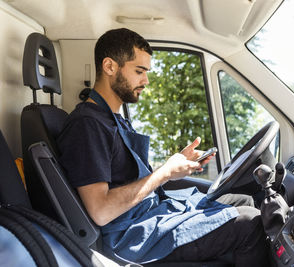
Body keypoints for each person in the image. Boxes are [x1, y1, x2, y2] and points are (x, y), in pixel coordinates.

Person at [57, 28, 267, 266]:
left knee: (243, 201)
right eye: (139, 71)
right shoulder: (88, 125)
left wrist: (176, 164)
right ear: (109, 66)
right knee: (251, 223)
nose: (145, 81)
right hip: (131, 237)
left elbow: (129, 177)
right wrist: (165, 172)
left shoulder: (113, 118)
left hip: (149, 213)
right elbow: (101, 211)